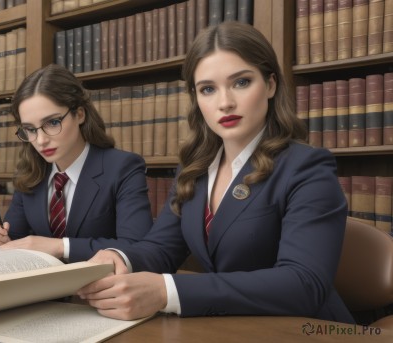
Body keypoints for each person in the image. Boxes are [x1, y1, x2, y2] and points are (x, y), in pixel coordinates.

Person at [77, 21, 354, 324]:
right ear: (196, 99)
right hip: (231, 326)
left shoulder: (307, 167)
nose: (225, 102)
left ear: (271, 84)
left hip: (305, 329)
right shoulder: (195, 168)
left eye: (241, 82)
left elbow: (303, 284)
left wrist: (166, 291)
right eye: (208, 89)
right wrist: (121, 257)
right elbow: (162, 247)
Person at [0, 64, 153, 262]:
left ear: (79, 114)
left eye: (52, 123)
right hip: (40, 290)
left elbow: (135, 246)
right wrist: (0, 240)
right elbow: (17, 241)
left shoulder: (123, 167)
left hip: (99, 289)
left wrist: (60, 246)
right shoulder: (30, 172)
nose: (40, 140)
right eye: (30, 129)